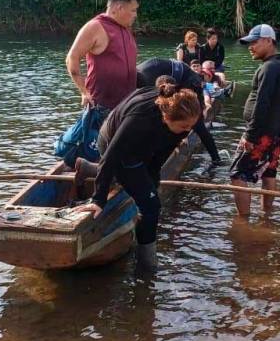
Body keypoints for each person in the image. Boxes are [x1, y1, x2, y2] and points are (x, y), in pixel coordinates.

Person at [75, 81, 202, 269]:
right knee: (151, 206)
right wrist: (98, 198)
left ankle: (88, 168)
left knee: (146, 187)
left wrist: (152, 182)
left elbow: (161, 153)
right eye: (184, 127)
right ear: (166, 117)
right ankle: (146, 266)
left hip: (142, 142)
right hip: (112, 141)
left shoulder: (181, 120)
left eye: (192, 125)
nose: (188, 131)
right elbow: (111, 156)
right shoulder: (140, 119)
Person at [230, 24, 280, 217]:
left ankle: (243, 222)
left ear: (268, 41)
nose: (250, 47)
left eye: (254, 42)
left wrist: (250, 135)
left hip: (260, 133)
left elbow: (262, 103)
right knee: (268, 172)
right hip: (274, 132)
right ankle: (267, 217)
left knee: (237, 174)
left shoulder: (269, 68)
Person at [65, 0, 140, 116]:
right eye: (133, 10)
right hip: (101, 109)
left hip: (126, 107)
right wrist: (84, 92)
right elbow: (72, 58)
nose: (135, 15)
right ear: (119, 8)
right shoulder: (95, 27)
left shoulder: (125, 29)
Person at [135, 57, 222, 164]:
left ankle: (216, 159)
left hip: (185, 80)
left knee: (197, 124)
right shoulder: (140, 79)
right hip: (165, 76)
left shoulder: (144, 81)